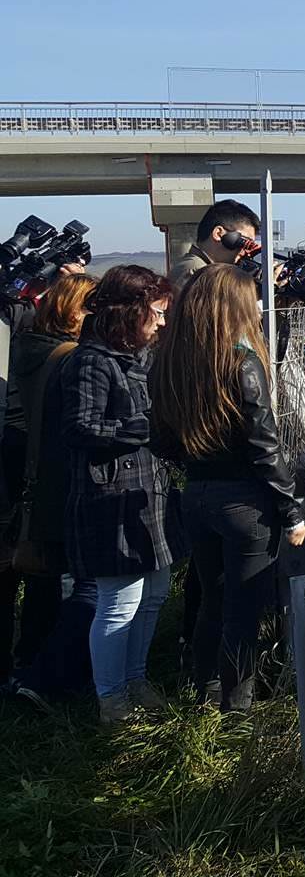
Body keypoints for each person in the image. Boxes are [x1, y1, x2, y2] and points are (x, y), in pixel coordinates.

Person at [150, 266, 305, 711]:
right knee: (243, 615)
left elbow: (158, 438)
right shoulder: (241, 360)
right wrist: (291, 510)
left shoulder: (169, 359)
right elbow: (264, 445)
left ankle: (204, 694)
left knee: (211, 605)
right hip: (245, 504)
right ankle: (238, 713)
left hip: (196, 495)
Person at [62, 264, 178, 722]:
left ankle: (135, 679)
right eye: (157, 312)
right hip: (109, 496)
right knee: (119, 601)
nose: (162, 322)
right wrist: (142, 428)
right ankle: (111, 698)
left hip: (146, 490)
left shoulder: (134, 357)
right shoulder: (91, 360)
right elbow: (79, 427)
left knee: (153, 592)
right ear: (131, 312)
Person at [4, 273, 95, 677]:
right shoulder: (69, 358)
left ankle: (22, 662)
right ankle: (44, 667)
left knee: (31, 572)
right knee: (53, 574)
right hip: (54, 475)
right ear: (75, 311)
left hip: (25, 471)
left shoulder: (27, 346)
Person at [170, 199, 265, 289]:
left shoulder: (206, 271)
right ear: (219, 234)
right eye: (245, 243)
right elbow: (219, 306)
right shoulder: (196, 273)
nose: (246, 252)